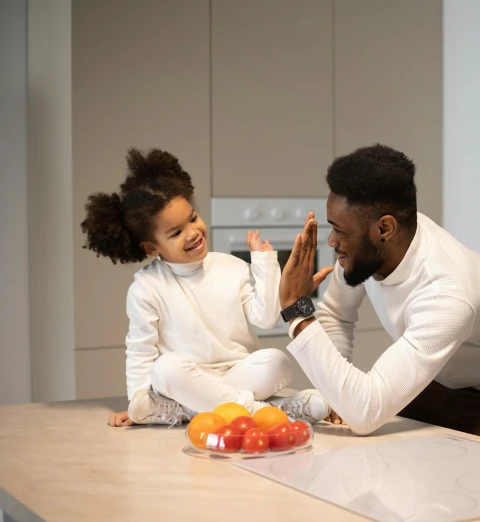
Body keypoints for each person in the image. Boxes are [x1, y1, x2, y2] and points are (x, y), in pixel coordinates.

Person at [277, 144, 480, 444]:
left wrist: (296, 312)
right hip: (441, 374)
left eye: (340, 231)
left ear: (384, 228)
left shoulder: (447, 292)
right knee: (401, 469)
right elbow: (337, 314)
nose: (332, 241)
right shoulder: (368, 249)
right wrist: (335, 395)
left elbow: (364, 414)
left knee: (478, 484)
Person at [80, 148, 330, 427]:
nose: (193, 232)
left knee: (277, 362)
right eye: (175, 233)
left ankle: (188, 411)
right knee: (166, 369)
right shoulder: (146, 287)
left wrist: (264, 263)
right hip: (187, 379)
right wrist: (137, 401)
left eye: (193, 218)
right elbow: (140, 350)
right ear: (152, 248)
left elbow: (267, 318)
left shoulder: (232, 267)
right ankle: (269, 411)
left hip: (235, 373)